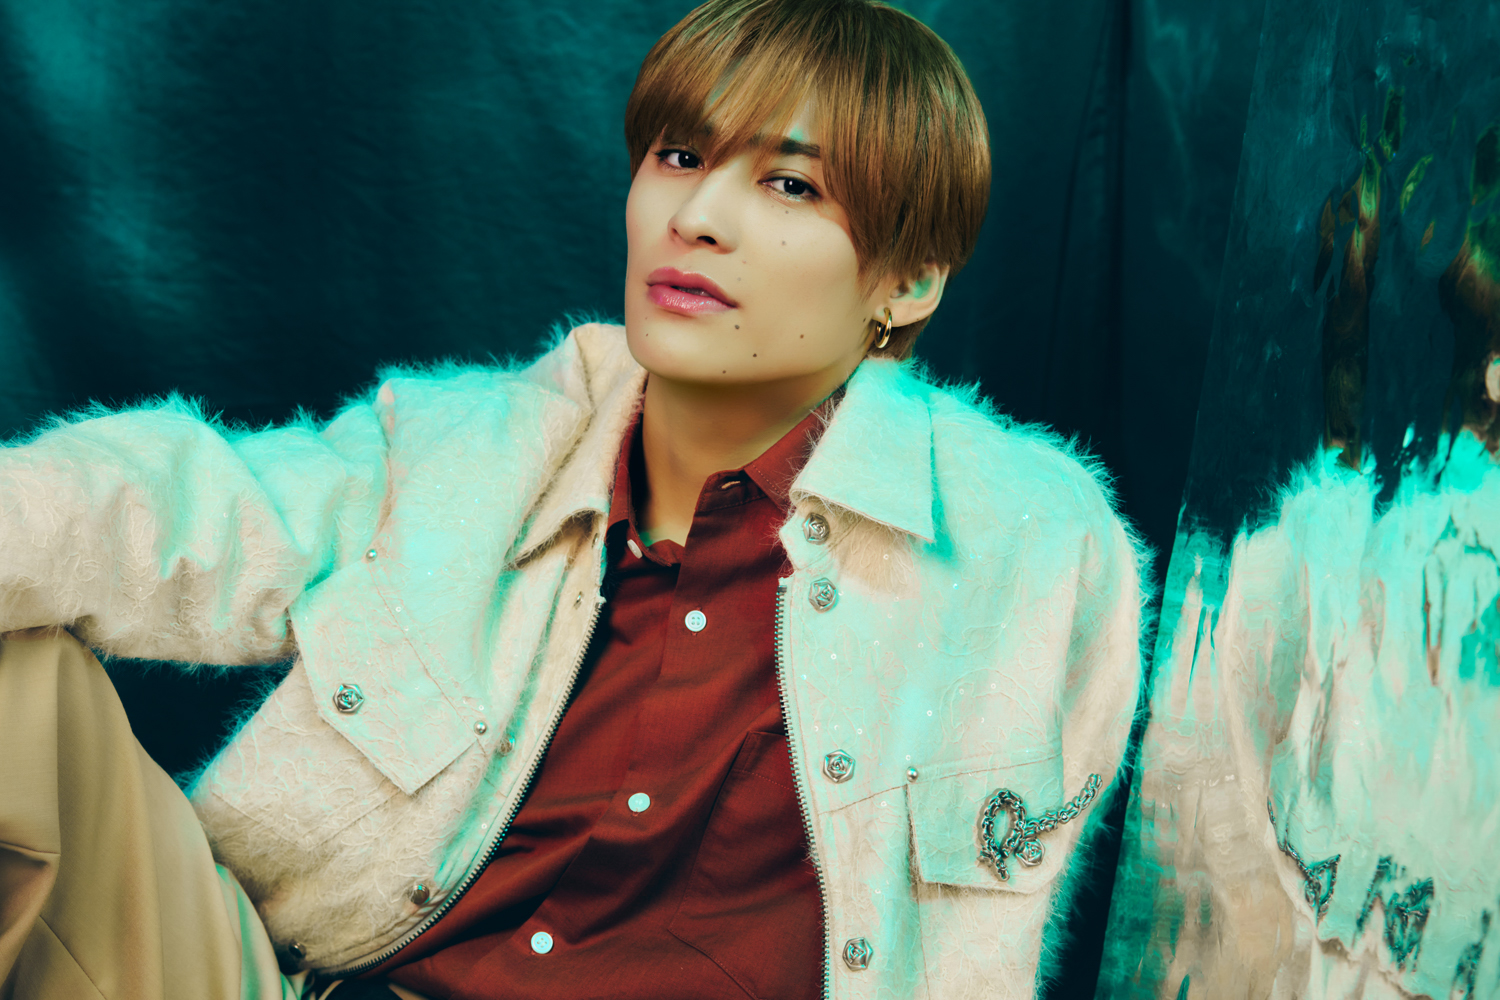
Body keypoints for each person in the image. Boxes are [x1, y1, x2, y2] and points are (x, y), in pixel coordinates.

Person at [0, 0, 1145, 997]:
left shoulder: (1028, 543)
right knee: (19, 681)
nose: (697, 216)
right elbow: (169, 504)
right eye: (681, 156)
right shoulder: (463, 450)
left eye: (789, 183)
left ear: (908, 281)